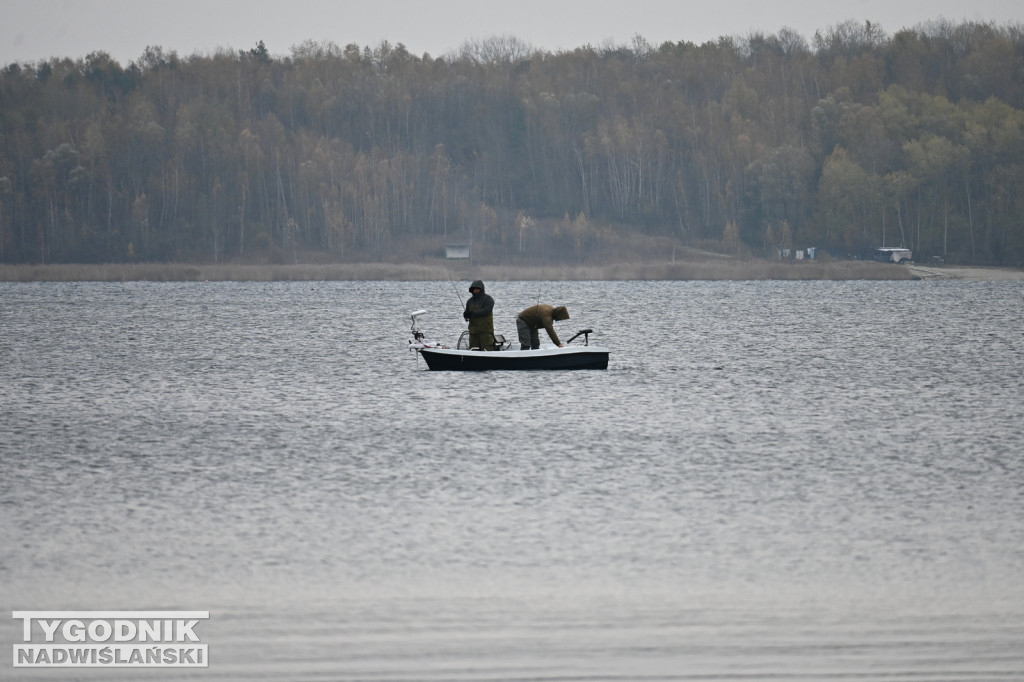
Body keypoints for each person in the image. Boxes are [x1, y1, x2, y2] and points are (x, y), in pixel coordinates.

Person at [463, 280, 495, 350]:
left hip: (486, 331)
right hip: (473, 332)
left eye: (478, 289)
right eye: (474, 289)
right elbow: (467, 315)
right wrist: (466, 315)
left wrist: (472, 313)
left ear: (481, 289)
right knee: (473, 350)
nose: (476, 291)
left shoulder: (488, 299)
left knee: (487, 349)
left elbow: (486, 311)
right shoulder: (469, 301)